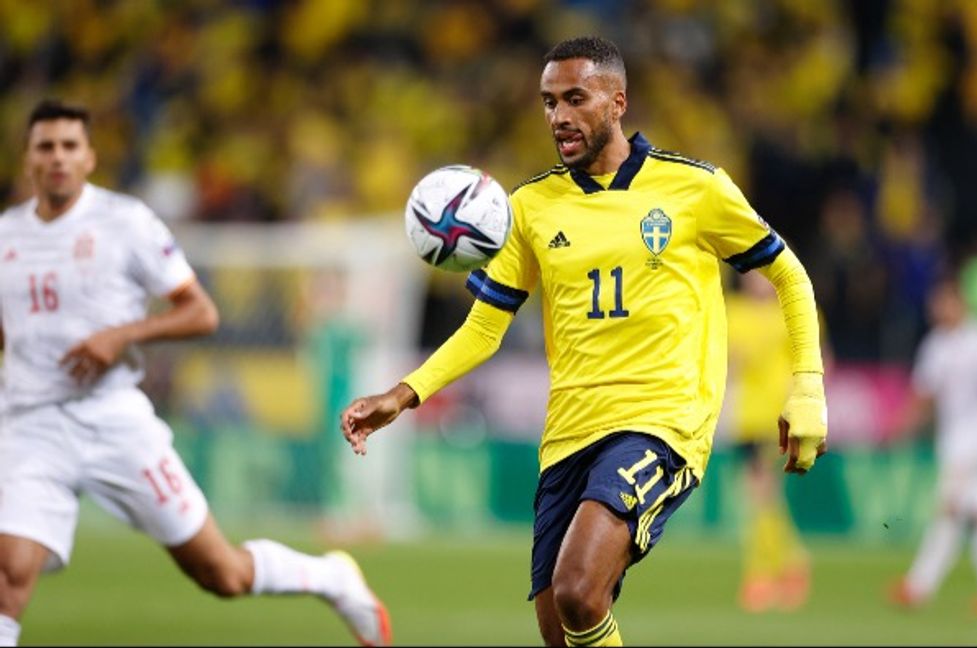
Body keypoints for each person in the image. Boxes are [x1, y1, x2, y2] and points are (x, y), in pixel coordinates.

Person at [341, 36, 829, 647]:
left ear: (617, 101)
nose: (559, 117)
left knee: (578, 588)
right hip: (568, 434)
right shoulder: (530, 207)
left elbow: (789, 273)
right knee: (561, 626)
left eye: (575, 98)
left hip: (662, 422)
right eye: (549, 102)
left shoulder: (694, 189)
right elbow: (485, 326)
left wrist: (807, 387)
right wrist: (403, 395)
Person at [0, 100, 391, 647]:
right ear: (28, 159)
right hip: (31, 424)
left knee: (221, 573)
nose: (58, 157)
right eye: (46, 146)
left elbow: (201, 311)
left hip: (113, 420)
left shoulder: (125, 222)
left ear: (89, 157)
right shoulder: (7, 237)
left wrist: (122, 335)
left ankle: (330, 577)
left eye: (70, 146)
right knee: (9, 573)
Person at [889, 276, 977, 616]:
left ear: (960, 303)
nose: (937, 309)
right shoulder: (936, 345)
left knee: (954, 510)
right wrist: (901, 428)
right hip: (953, 443)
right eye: (935, 303)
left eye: (944, 302)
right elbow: (924, 395)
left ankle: (920, 586)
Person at [725, 271, 811, 613]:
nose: (756, 281)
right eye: (751, 275)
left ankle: (761, 574)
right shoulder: (734, 311)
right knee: (762, 497)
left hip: (779, 416)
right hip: (748, 416)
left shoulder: (792, 311)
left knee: (760, 495)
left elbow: (815, 361)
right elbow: (728, 360)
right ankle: (792, 562)